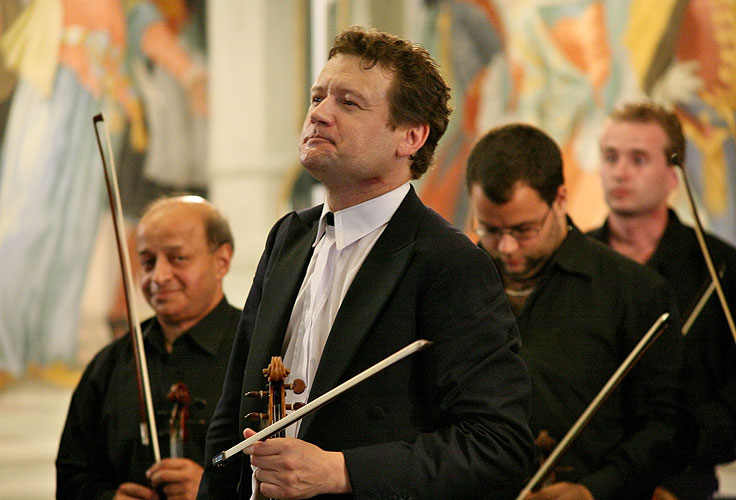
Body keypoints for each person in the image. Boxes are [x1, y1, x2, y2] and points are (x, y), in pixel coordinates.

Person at [198, 26, 535, 500]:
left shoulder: (450, 263)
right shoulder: (287, 239)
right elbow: (230, 418)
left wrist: (342, 472)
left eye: (348, 103)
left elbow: (499, 447)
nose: (319, 113)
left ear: (410, 137)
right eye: (318, 97)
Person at [466, 123, 692, 500]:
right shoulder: (454, 283)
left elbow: (670, 426)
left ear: (560, 199)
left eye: (523, 230)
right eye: (489, 229)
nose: (506, 247)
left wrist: (595, 489)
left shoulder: (634, 291)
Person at [589, 101, 736, 499]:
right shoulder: (575, 261)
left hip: (680, 482)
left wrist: (674, 454)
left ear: (674, 177)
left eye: (638, 159)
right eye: (610, 157)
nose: (619, 172)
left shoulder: (721, 268)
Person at [56, 195, 241, 500]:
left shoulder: (257, 350)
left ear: (221, 260)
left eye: (177, 258)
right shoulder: (110, 364)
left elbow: (287, 477)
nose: (159, 276)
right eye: (147, 261)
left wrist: (214, 490)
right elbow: (71, 476)